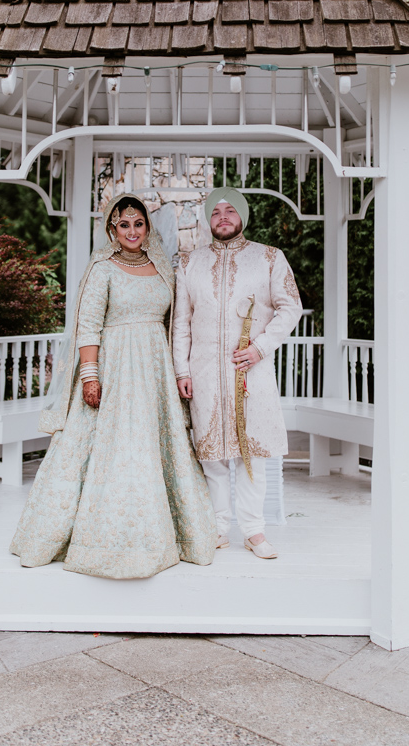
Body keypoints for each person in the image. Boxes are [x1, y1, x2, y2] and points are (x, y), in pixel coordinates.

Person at [10, 193, 216, 579]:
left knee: (154, 448)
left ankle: (168, 537)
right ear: (112, 229)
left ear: (147, 227)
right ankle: (94, 539)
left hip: (154, 373)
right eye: (124, 224)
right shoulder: (102, 269)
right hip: (116, 369)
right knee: (115, 447)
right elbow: (88, 325)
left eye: (139, 223)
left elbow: (175, 323)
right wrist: (90, 376)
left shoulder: (162, 270)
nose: (133, 231)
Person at [173, 187, 303, 560]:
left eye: (231, 211)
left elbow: (290, 308)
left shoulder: (269, 258)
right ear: (208, 219)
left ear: (243, 217)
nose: (223, 217)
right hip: (203, 373)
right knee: (212, 455)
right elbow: (181, 322)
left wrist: (260, 347)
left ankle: (253, 530)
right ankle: (217, 528)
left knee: (253, 454)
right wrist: (182, 368)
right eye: (216, 212)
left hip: (252, 370)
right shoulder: (189, 263)